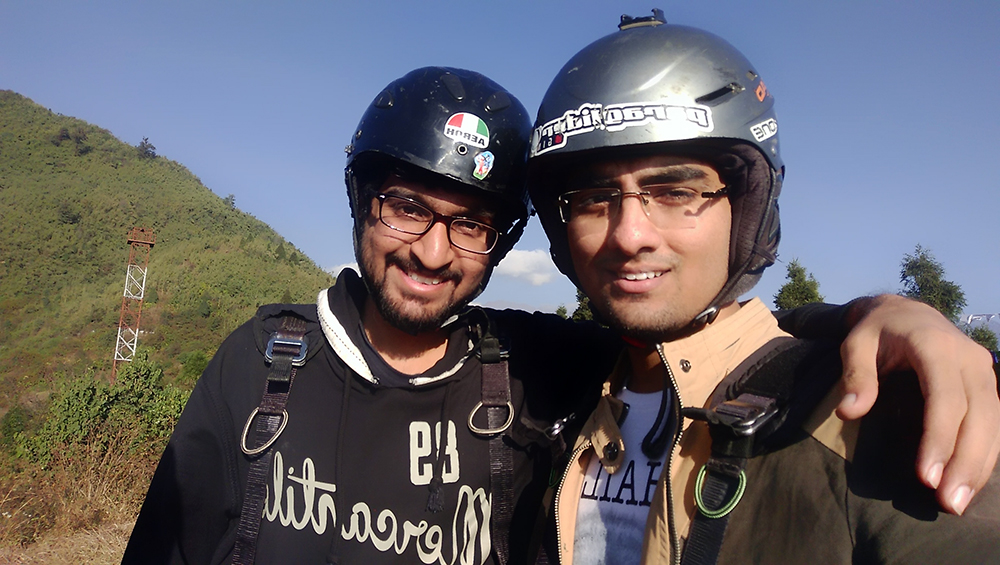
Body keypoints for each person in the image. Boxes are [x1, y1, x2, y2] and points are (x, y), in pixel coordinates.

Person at [122, 64, 997, 564]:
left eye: (469, 223)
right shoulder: (262, 364)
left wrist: (889, 315)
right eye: (404, 206)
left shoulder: (536, 365)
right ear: (358, 199)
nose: (432, 250)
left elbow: (712, 340)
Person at [525, 11, 1000, 564]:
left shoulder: (861, 410)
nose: (630, 235)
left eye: (678, 191)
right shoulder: (556, 394)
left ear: (748, 212)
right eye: (592, 199)